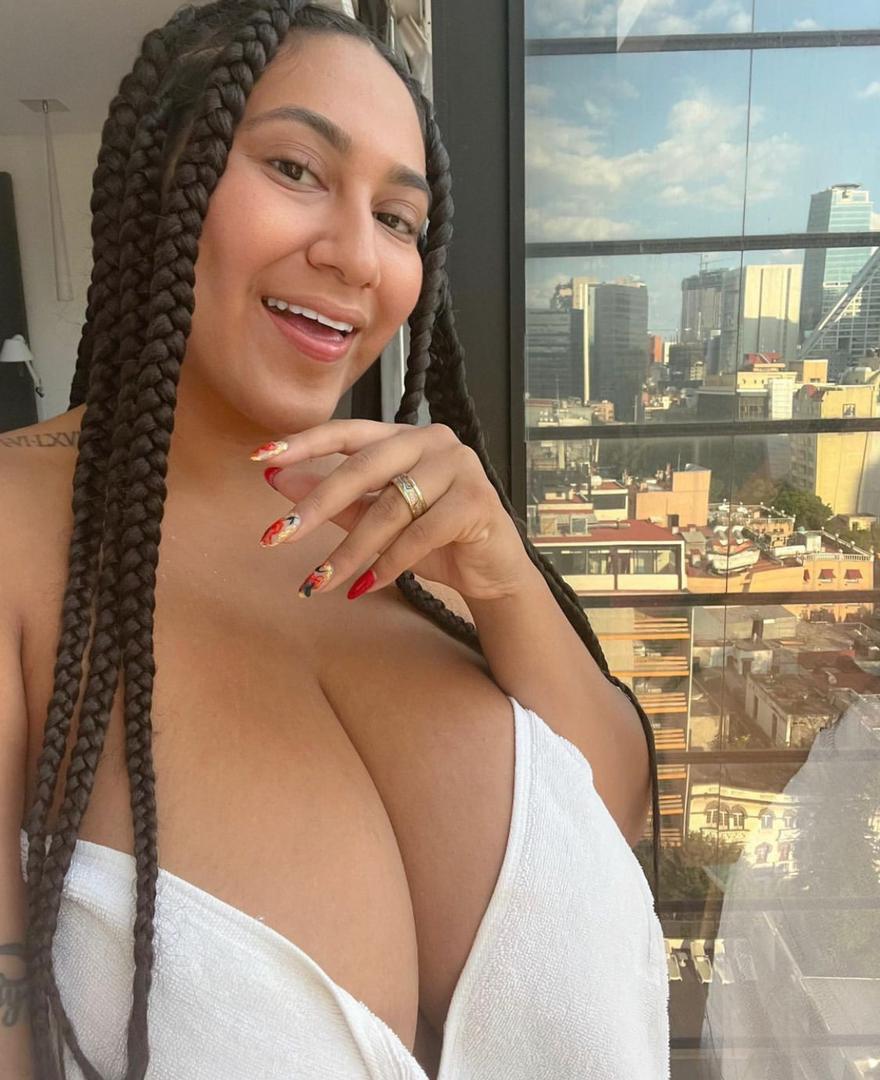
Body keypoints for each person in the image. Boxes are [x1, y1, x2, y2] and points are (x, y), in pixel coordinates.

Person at [0, 2, 668, 1077]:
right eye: (296, 169)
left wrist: (505, 581)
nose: (358, 256)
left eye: (399, 219)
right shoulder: (17, 537)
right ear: (161, 179)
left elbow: (613, 810)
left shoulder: (415, 530)